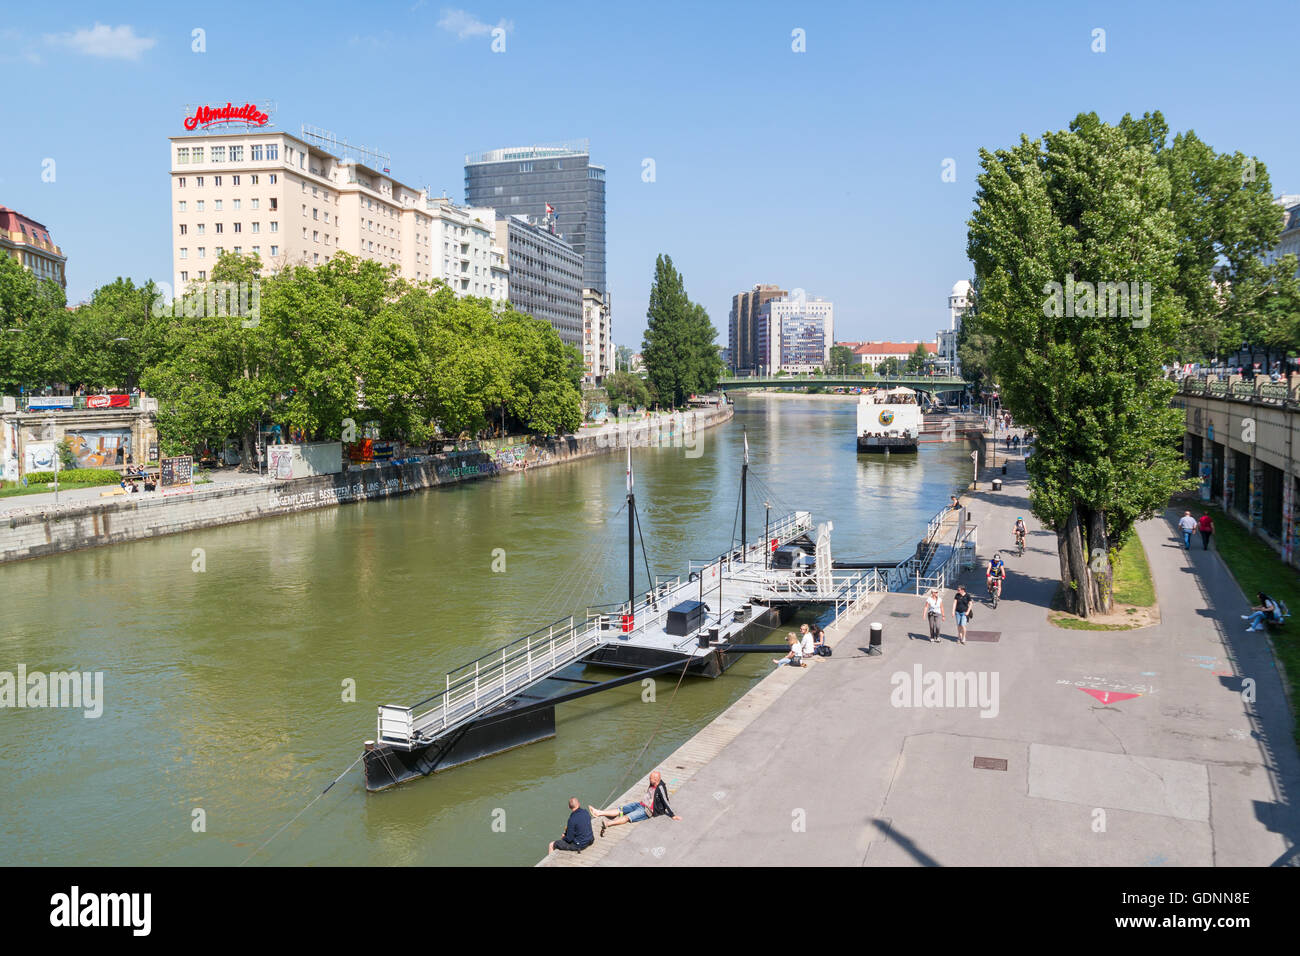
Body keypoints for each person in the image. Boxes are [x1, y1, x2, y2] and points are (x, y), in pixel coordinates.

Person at [589, 770, 681, 836]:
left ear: (656, 780)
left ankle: (608, 823)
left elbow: (665, 800)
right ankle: (599, 812)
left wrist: (672, 815)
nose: (649, 779)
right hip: (640, 804)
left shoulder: (660, 787)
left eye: (651, 778)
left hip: (647, 810)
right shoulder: (652, 783)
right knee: (621, 809)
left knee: (627, 817)